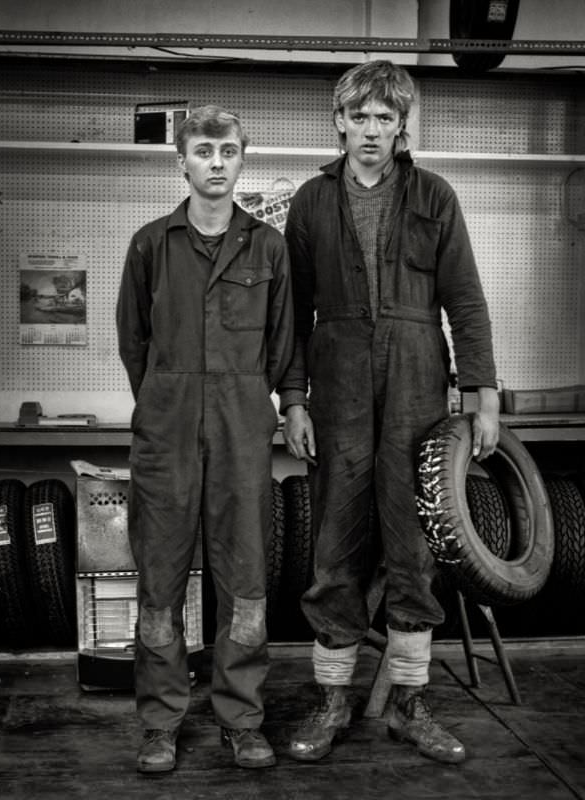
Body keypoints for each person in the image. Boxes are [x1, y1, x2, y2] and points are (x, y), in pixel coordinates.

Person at [279, 60, 499, 765]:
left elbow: (464, 300)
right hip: (337, 380)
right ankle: (333, 699)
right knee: (335, 544)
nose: (372, 130)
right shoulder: (311, 202)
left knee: (412, 548)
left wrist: (481, 397)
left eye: (385, 117)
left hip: (416, 382)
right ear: (339, 122)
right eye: (360, 117)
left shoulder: (435, 194)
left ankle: (409, 703)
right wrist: (294, 399)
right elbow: (292, 315)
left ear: (403, 125)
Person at [116, 105, 294, 774]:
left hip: (242, 426)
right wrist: (166, 395)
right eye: (203, 151)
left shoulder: (268, 248)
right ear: (182, 161)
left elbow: (284, 346)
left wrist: (246, 399)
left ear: (242, 158)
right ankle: (160, 723)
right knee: (160, 581)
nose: (216, 163)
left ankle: (242, 719)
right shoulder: (149, 244)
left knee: (245, 579)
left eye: (227, 150)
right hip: (166, 425)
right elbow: (134, 338)